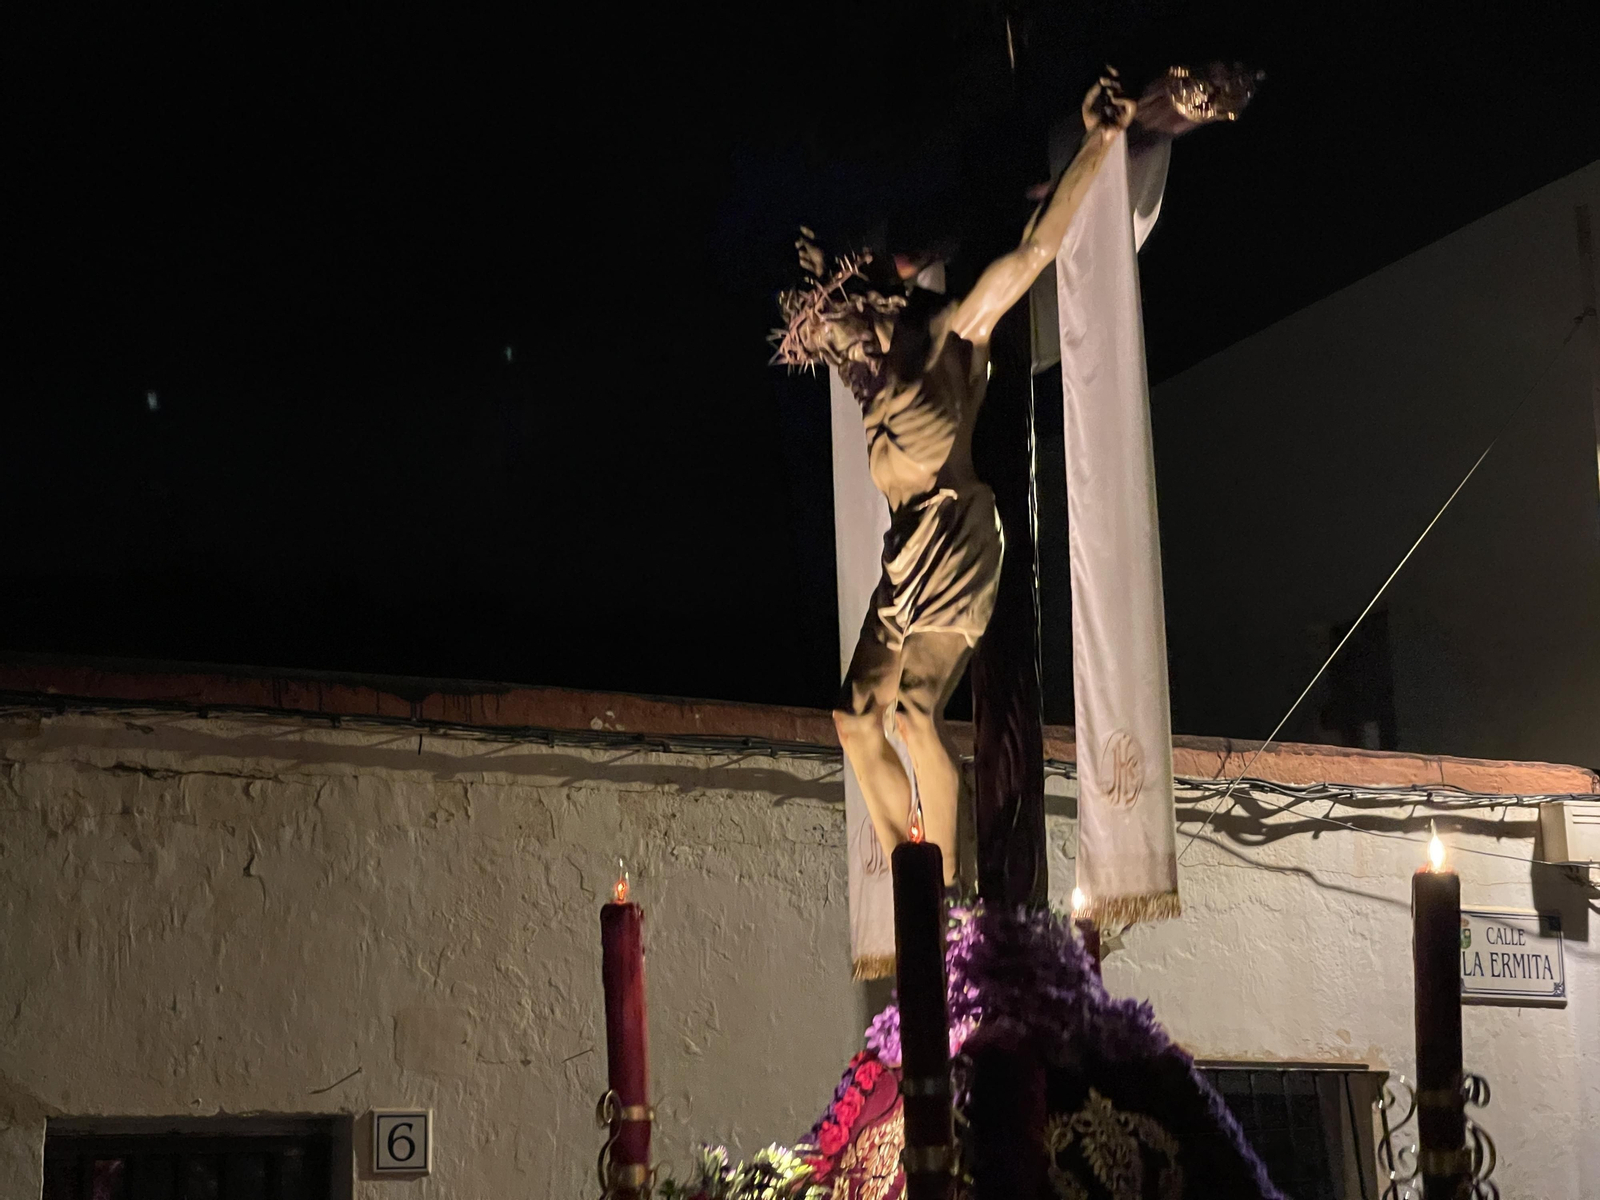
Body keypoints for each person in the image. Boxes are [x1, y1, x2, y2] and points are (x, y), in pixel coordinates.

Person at [773, 67, 1253, 883]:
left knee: (919, 715)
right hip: (904, 555)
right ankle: (912, 883)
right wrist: (816, 277)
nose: (841, 331)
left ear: (883, 300)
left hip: (960, 537)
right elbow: (804, 319)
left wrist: (1102, 138)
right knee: (855, 719)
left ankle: (953, 895)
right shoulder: (871, 369)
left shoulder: (952, 338)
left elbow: (1033, 249)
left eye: (850, 312)